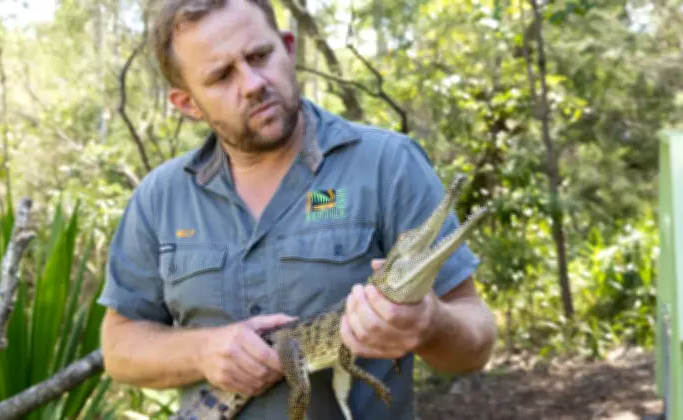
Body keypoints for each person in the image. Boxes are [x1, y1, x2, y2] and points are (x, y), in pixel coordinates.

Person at [96, 0, 497, 418]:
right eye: (220, 76)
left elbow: (476, 340)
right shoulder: (159, 197)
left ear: (288, 48)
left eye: (259, 56)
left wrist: (430, 324)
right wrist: (204, 351)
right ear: (187, 104)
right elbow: (120, 350)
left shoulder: (388, 164)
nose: (252, 83)